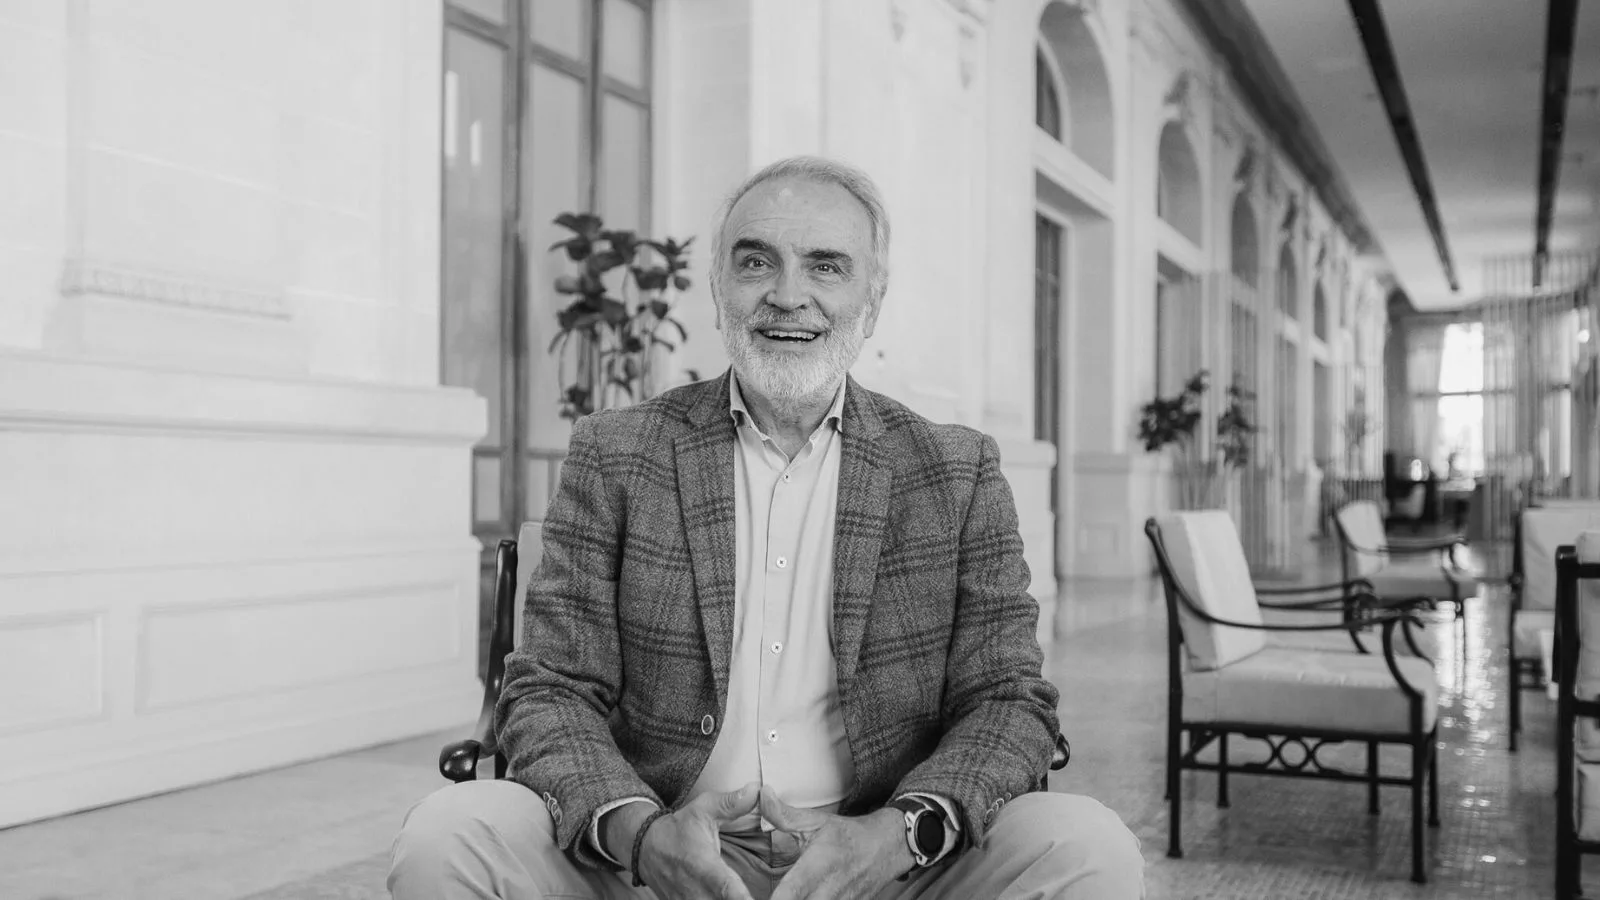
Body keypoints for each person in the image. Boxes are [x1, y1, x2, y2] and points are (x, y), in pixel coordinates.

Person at [389, 156, 1144, 899]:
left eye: (825, 267)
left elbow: (1008, 698)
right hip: (652, 857)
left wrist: (896, 837)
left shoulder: (956, 471)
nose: (788, 296)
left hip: (883, 862)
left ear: (873, 298)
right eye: (756, 262)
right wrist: (642, 836)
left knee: (1086, 848)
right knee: (449, 835)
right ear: (719, 289)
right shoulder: (617, 452)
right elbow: (550, 687)